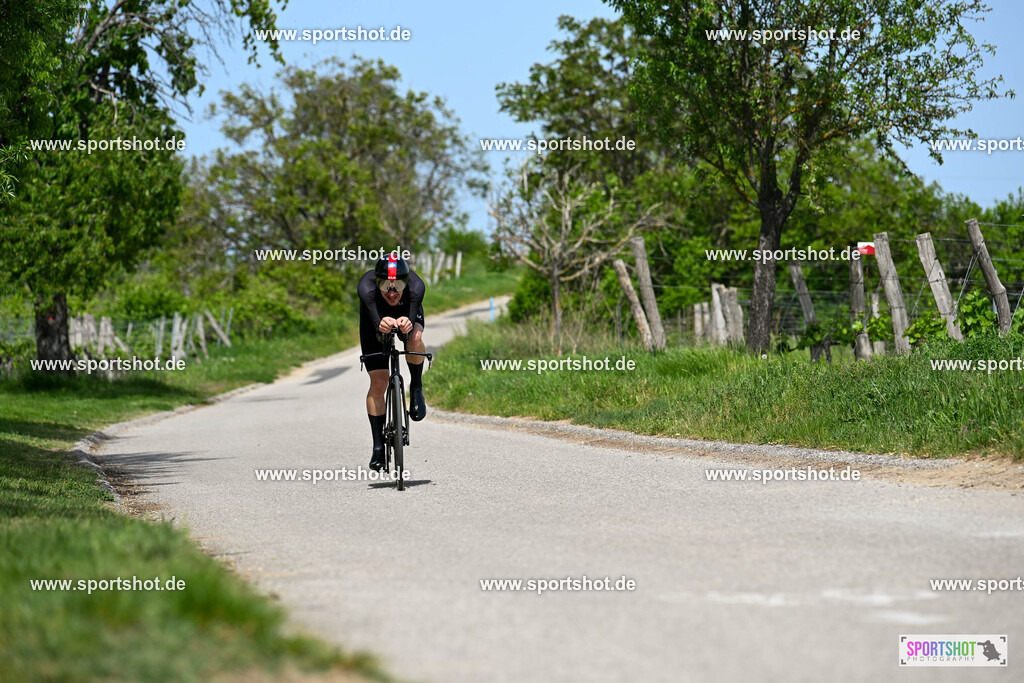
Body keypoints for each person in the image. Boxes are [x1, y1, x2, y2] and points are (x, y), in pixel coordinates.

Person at [357, 254, 427, 471]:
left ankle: (416, 387)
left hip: (406, 313)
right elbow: (376, 322)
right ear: (377, 283)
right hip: (375, 319)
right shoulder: (366, 289)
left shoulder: (416, 287)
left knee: (414, 337)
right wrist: (380, 323)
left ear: (406, 282)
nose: (392, 291)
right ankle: (378, 446)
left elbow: (413, 318)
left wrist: (407, 322)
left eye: (398, 285)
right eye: (386, 285)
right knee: (379, 382)